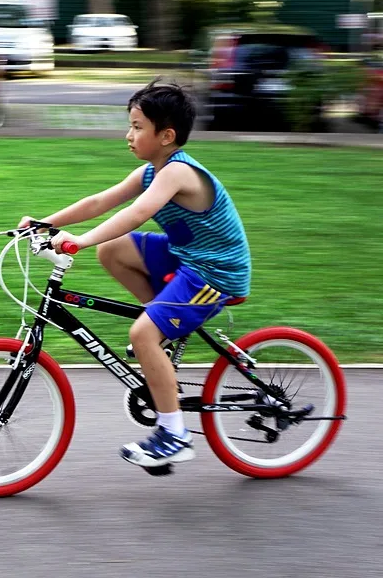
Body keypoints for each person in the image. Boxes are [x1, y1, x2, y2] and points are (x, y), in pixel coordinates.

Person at [18, 79, 251, 469]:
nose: (128, 135)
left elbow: (136, 214)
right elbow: (100, 201)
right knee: (113, 251)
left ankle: (174, 433)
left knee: (141, 332)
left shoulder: (178, 173)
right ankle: (160, 331)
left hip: (215, 272)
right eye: (130, 125)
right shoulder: (149, 171)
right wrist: (43, 223)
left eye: (138, 127)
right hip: (186, 257)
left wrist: (80, 241)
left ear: (167, 136)